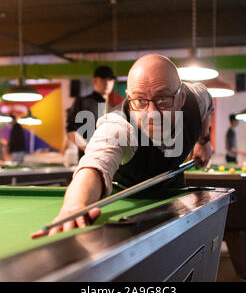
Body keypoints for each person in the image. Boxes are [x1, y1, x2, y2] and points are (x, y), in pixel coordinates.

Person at [40, 54, 214, 236]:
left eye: (163, 99)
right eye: (140, 100)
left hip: (174, 192)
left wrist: (203, 141)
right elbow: (94, 164)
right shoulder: (118, 127)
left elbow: (207, 100)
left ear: (181, 98)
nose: (151, 113)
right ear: (129, 99)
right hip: (128, 208)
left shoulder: (194, 99)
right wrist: (75, 205)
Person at [66, 66, 116, 159]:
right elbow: (71, 131)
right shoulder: (82, 102)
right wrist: (89, 149)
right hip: (88, 159)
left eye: (110, 80)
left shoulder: (112, 108)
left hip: (110, 161)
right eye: (103, 79)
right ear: (95, 80)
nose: (107, 83)